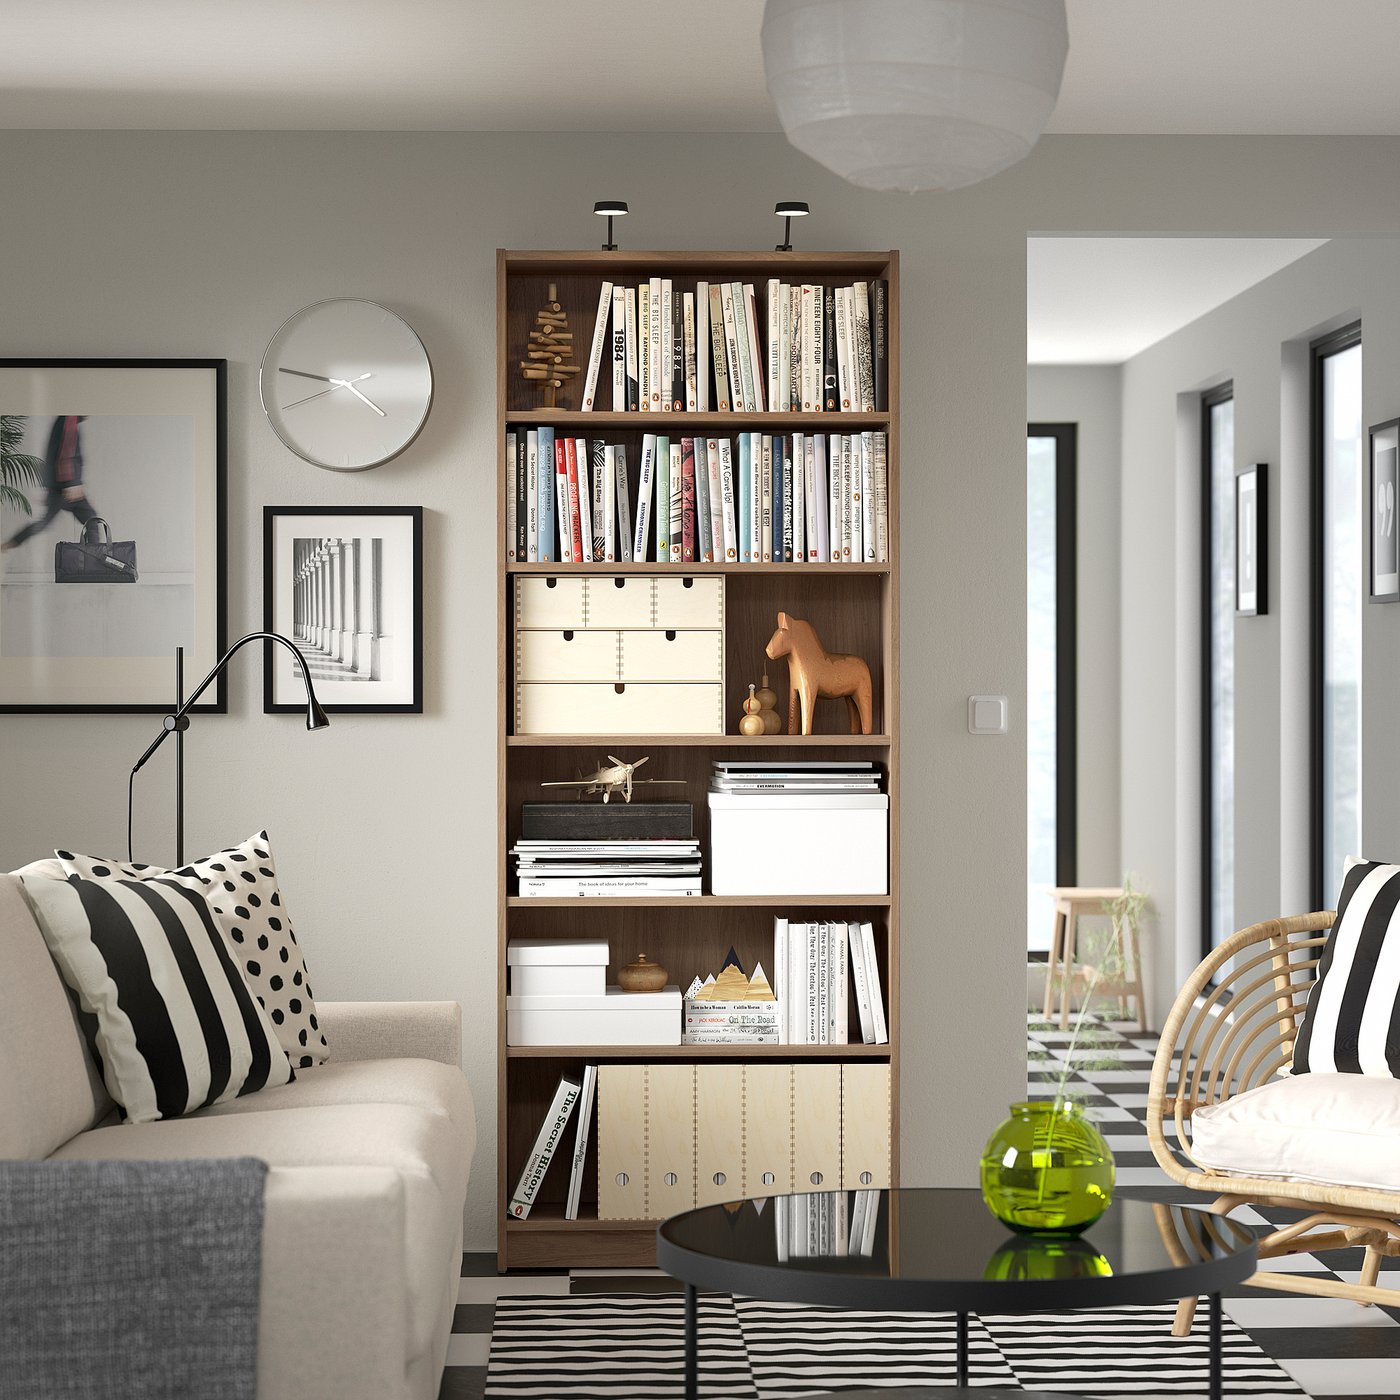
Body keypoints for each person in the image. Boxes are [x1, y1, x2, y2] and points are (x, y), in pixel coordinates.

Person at [1, 415, 97, 552]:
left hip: (59, 486)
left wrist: (47, 486)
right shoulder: (69, 418)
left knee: (45, 523)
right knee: (93, 522)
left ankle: (10, 543)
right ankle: (96, 563)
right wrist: (72, 483)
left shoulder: (66, 420)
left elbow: (51, 454)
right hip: (67, 487)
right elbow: (66, 451)